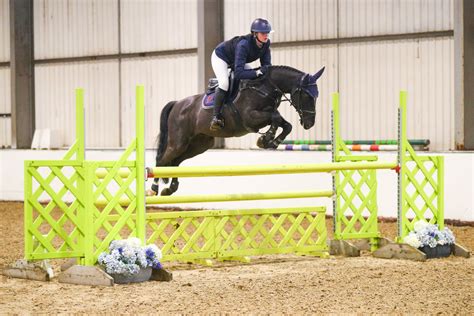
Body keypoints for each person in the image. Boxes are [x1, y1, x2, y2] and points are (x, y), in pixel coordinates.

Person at [209, 18, 273, 131]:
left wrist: (263, 72)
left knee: (252, 77)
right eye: (263, 33)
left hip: (236, 61)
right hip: (221, 57)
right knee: (224, 83)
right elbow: (239, 73)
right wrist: (256, 72)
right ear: (255, 33)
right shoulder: (244, 45)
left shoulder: (266, 44)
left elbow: (266, 66)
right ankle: (215, 117)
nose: (266, 35)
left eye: (267, 33)